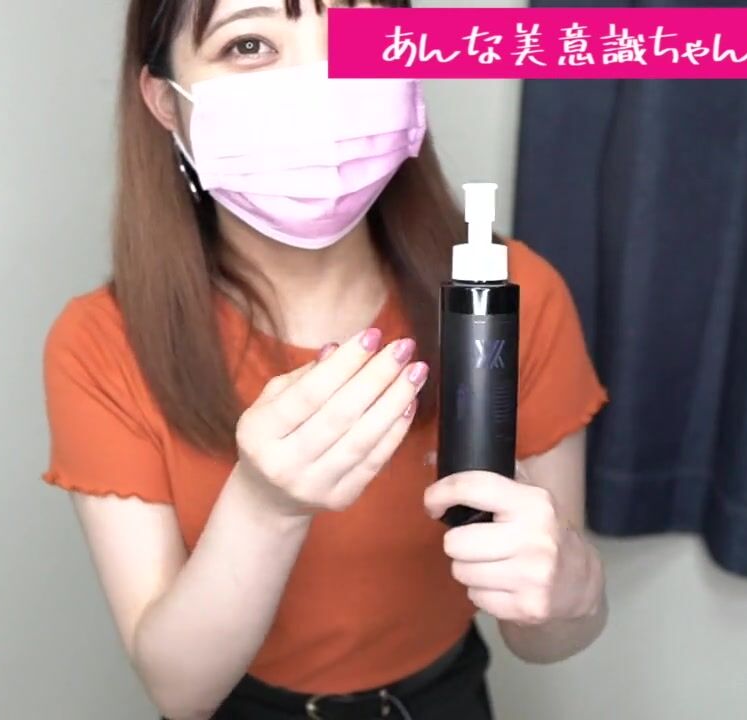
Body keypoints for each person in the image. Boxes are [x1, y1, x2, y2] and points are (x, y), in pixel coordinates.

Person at [41, 1, 610, 718]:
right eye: (250, 44)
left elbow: (547, 635)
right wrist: (265, 507)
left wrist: (574, 593)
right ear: (164, 101)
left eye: (356, 35)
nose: (321, 80)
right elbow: (181, 693)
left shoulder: (511, 296)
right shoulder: (101, 343)